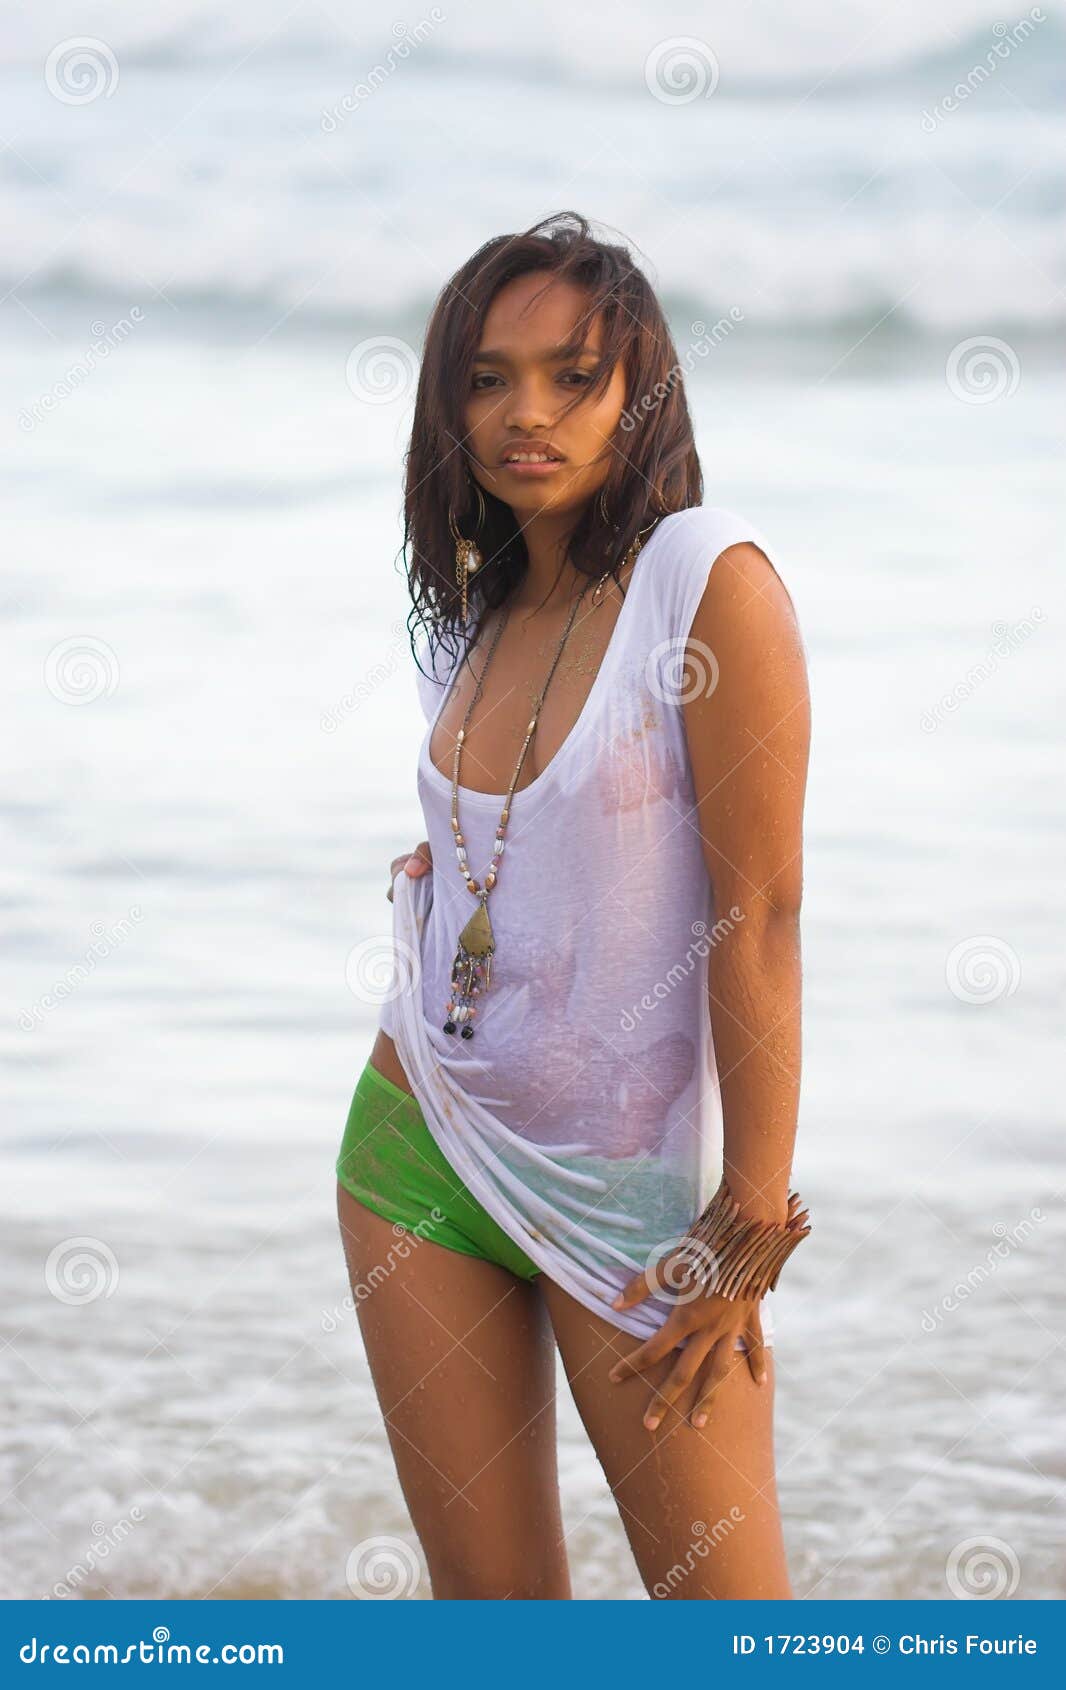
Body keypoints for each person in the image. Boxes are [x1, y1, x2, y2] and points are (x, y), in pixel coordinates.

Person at [335, 211, 811, 1600]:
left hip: (634, 1205)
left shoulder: (703, 578)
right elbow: (513, 850)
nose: (521, 413)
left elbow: (762, 911)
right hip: (414, 1145)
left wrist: (749, 1225)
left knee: (734, 1633)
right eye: (485, 379)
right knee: (498, 1632)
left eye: (570, 374)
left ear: (637, 393)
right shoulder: (477, 603)